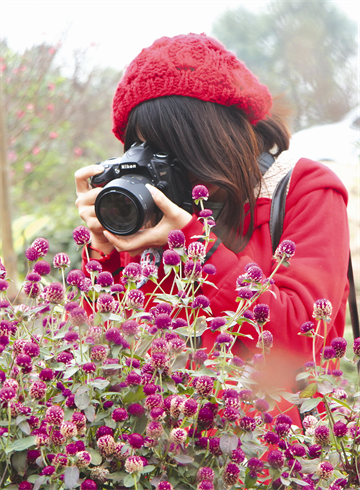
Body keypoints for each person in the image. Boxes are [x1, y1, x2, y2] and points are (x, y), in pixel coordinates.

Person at [75, 33, 349, 395]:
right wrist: (103, 253)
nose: (163, 168)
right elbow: (99, 355)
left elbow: (303, 341)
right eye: (145, 151)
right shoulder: (149, 207)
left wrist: (193, 244)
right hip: (164, 442)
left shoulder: (304, 187)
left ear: (216, 139)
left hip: (267, 443)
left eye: (172, 151)